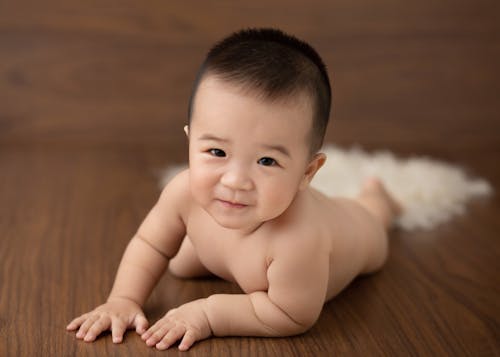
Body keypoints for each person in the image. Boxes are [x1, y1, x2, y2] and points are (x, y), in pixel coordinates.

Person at [67, 28, 402, 351]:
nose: (235, 181)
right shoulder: (182, 193)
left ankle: (378, 196)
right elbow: (150, 244)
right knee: (178, 262)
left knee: (371, 215)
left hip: (356, 231)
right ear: (190, 142)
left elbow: (290, 315)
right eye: (217, 152)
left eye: (267, 161)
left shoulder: (299, 239)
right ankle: (216, 253)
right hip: (236, 254)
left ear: (307, 172)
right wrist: (123, 300)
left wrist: (208, 313)